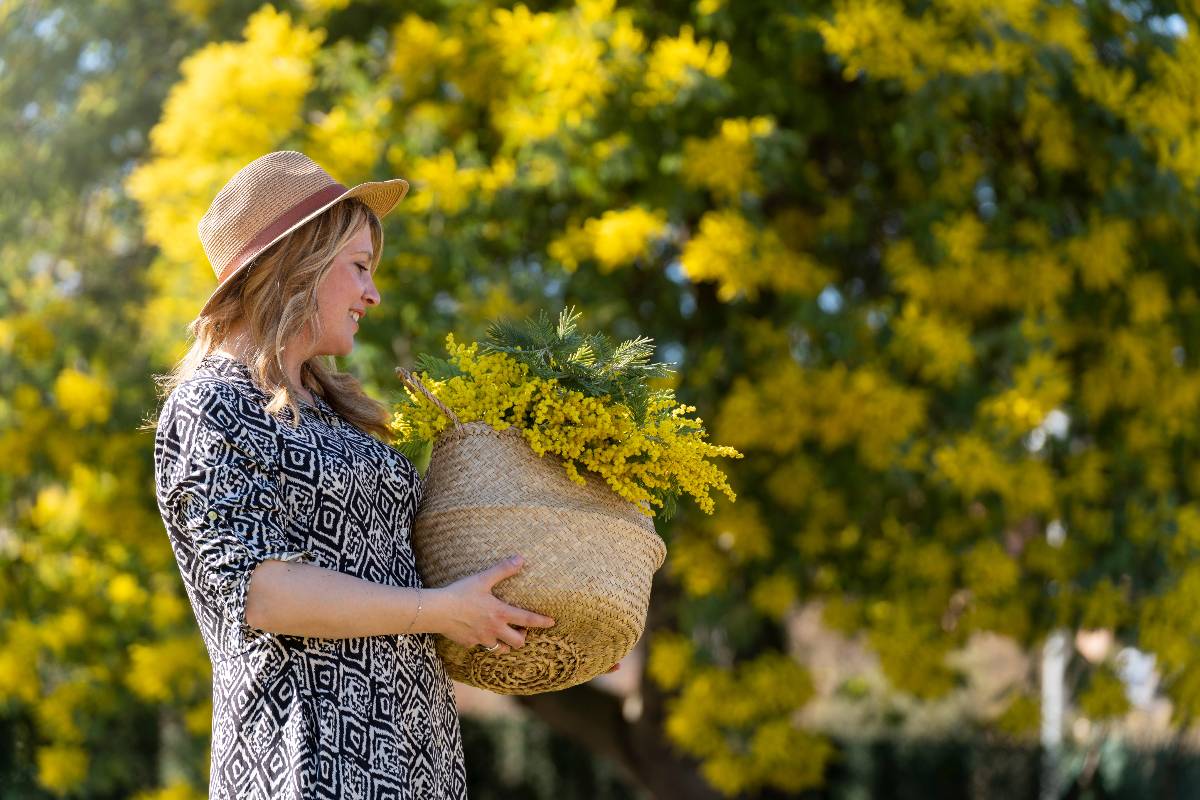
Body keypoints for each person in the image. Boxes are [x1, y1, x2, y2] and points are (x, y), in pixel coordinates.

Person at [149, 151, 557, 798]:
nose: (373, 293)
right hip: (309, 763)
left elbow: (410, 571)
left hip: (416, 760)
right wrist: (437, 612)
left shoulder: (330, 408)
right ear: (296, 265)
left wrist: (559, 612)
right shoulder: (211, 404)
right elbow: (262, 594)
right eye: (360, 269)